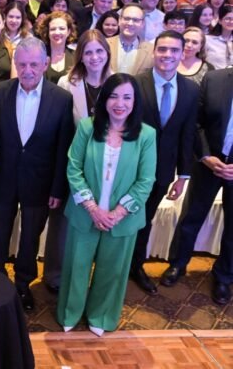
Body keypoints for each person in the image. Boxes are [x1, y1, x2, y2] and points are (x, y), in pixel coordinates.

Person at [57, 73, 156, 336]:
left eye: (127, 97)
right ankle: (70, 312)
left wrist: (117, 213)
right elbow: (74, 168)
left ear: (135, 101)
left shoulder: (147, 135)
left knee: (112, 270)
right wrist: (93, 208)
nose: (119, 103)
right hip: (85, 213)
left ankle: (100, 315)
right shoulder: (87, 128)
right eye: (113, 96)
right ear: (104, 99)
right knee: (76, 266)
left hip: (122, 219)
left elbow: (145, 181)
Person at [0, 37, 74, 309]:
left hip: (41, 183)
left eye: (34, 64)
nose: (27, 70)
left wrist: (58, 188)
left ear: (45, 64)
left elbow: (63, 147)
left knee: (30, 238)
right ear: (15, 63)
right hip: (2, 179)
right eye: (22, 64)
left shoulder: (62, 98)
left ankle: (23, 284)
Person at [126, 31, 198, 294]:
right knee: (122, 217)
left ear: (182, 53)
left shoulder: (191, 90)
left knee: (145, 220)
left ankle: (135, 266)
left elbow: (187, 134)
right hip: (130, 168)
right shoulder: (135, 83)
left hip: (163, 170)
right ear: (154, 51)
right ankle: (113, 265)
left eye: (174, 50)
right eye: (162, 49)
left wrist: (183, 176)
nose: (168, 55)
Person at [160, 67, 233, 304]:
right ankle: (178, 264)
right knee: (191, 217)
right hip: (208, 163)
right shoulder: (214, 79)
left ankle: (224, 276)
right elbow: (196, 123)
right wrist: (205, 156)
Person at [58, 30, 113, 125]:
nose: (94, 57)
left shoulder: (117, 83)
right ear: (81, 57)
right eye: (88, 53)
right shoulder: (65, 84)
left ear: (107, 53)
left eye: (99, 51)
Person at [107, 3, 154, 75]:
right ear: (119, 20)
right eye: (126, 19)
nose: (130, 23)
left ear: (143, 24)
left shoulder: (152, 50)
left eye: (136, 20)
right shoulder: (104, 44)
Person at [37, 11, 77, 84]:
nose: (57, 32)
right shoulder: (38, 55)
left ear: (68, 32)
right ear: (47, 32)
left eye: (62, 29)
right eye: (53, 29)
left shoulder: (76, 56)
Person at [205, 5, 233, 69]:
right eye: (228, 19)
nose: (231, 22)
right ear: (220, 21)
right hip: (213, 74)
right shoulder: (208, 40)